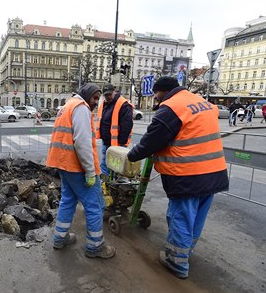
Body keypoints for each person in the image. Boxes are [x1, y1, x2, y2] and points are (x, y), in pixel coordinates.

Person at [127, 76, 229, 279]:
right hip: (214, 172)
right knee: (196, 218)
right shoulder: (202, 102)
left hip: (188, 176)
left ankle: (177, 262)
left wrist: (131, 155)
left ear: (163, 91)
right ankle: (186, 252)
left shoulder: (172, 107)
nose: (157, 101)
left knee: (180, 217)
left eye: (156, 96)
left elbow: (151, 141)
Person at [46, 83, 116, 259]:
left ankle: (59, 238)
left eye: (97, 98)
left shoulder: (67, 106)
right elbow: (82, 143)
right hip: (77, 166)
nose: (95, 102)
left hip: (63, 164)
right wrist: (90, 171)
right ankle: (95, 246)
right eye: (94, 97)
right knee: (95, 205)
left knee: (68, 200)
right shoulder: (81, 108)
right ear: (86, 95)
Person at [95, 83, 134, 177]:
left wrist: (121, 144)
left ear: (114, 92)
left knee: (116, 168)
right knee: (104, 165)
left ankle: (112, 186)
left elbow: (127, 126)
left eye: (109, 94)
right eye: (106, 95)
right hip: (106, 141)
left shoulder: (123, 104)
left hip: (117, 144)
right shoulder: (104, 104)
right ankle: (105, 186)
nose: (108, 97)